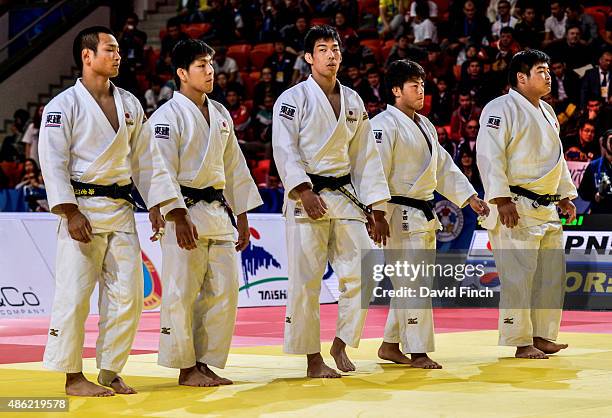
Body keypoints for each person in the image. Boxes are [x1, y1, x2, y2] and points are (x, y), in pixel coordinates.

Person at [39, 26, 177, 396]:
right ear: (87, 56)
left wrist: (159, 204)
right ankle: (72, 376)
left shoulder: (130, 104)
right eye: (110, 50)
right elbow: (52, 162)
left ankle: (110, 368)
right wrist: (69, 212)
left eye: (117, 51)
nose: (118, 56)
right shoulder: (62, 106)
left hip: (120, 209)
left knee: (129, 296)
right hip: (82, 208)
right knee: (74, 295)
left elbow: (146, 161)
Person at [272, 25, 391, 378]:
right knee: (306, 280)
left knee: (363, 272)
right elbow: (284, 149)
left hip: (345, 197)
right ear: (309, 57)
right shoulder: (292, 100)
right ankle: (312, 358)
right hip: (307, 197)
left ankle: (340, 341)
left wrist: (377, 208)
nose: (331, 54)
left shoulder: (353, 100)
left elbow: (366, 157)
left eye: (335, 48)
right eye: (323, 49)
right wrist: (303, 189)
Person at [150, 39, 262, 387]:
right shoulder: (166, 117)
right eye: (201, 65)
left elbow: (235, 167)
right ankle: (185, 367)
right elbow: (159, 169)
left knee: (225, 291)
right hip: (184, 212)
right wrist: (175, 214)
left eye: (211, 64)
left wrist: (242, 213)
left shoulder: (221, 114)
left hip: (217, 212)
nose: (210, 70)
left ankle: (205, 361)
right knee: (182, 292)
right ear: (182, 73)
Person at [371, 59, 488, 369]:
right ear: (396, 90)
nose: (421, 90)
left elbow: (444, 167)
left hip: (422, 212)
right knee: (414, 283)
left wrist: (470, 197)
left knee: (409, 283)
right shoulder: (382, 125)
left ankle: (390, 345)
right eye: (414, 85)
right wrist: (377, 213)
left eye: (422, 84)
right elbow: (374, 172)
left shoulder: (425, 125)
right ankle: (418, 350)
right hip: (398, 213)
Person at [476, 49, 577, 359]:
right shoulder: (499, 109)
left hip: (545, 207)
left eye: (548, 71)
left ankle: (542, 334)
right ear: (521, 77)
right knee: (518, 278)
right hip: (515, 206)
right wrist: (501, 198)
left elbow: (557, 160)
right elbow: (489, 156)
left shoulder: (547, 111)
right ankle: (520, 340)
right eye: (541, 71)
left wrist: (564, 195)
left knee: (550, 275)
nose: (548, 76)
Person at [578, 129, 612, 214]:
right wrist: (595, 196)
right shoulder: (594, 166)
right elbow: (583, 192)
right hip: (599, 215)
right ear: (604, 143)